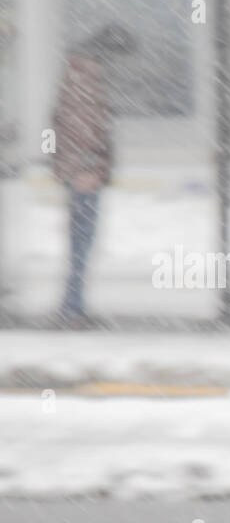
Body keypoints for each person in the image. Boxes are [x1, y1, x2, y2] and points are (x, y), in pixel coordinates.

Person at [49, 23, 135, 327]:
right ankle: (72, 310)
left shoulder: (79, 75)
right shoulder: (84, 78)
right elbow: (79, 130)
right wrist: (85, 169)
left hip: (84, 171)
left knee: (81, 243)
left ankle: (74, 307)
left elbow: (64, 124)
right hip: (85, 174)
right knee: (82, 243)